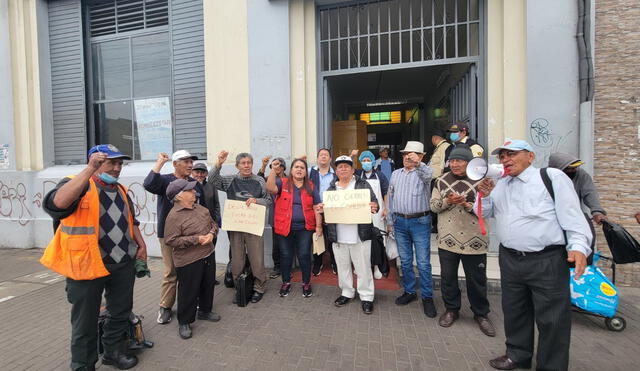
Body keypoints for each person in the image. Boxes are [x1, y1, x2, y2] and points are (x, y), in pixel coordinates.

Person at [475, 139, 592, 371]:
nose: (505, 160)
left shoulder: (551, 178)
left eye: (512, 154)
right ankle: (517, 354)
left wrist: (578, 246)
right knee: (515, 310)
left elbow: (573, 216)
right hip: (510, 258)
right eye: (502, 156)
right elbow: (487, 212)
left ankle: (551, 365)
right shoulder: (501, 184)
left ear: (530, 156)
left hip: (546, 259)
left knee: (553, 319)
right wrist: (485, 195)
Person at [41, 144, 146, 370]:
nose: (118, 168)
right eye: (111, 163)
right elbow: (57, 204)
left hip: (122, 264)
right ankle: (83, 364)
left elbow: (131, 220)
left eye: (120, 163)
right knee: (85, 322)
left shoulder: (121, 190)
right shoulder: (77, 184)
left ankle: (113, 353)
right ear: (95, 162)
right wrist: (89, 170)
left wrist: (141, 244)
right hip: (86, 266)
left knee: (120, 312)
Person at [429, 146, 495, 336]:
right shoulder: (440, 181)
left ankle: (481, 314)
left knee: (477, 280)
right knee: (448, 278)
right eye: (452, 161)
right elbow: (433, 206)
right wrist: (448, 201)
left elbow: (490, 208)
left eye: (460, 161)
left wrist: (468, 205)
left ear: (469, 163)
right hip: (447, 239)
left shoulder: (483, 182)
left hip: (475, 240)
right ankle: (451, 309)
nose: (455, 164)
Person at [143, 150, 204, 325]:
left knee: (190, 272)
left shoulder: (194, 183)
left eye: (191, 161)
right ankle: (165, 307)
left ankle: (190, 304)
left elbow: (200, 206)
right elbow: (148, 184)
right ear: (175, 163)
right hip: (169, 234)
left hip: (191, 234)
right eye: (185, 161)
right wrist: (159, 163)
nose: (190, 165)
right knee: (171, 272)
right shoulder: (165, 180)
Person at [317, 155, 379, 314]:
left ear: (353, 169)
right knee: (342, 267)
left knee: (363, 268)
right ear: (335, 171)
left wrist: (374, 206)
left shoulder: (362, 185)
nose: (343, 169)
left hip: (360, 235)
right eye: (339, 166)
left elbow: (375, 203)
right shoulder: (331, 190)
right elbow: (327, 212)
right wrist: (322, 210)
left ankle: (366, 296)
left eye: (346, 166)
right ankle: (347, 292)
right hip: (338, 236)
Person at [209, 151, 271, 303]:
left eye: (249, 162)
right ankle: (240, 287)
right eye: (243, 163)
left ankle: (259, 287)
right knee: (237, 259)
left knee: (256, 258)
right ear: (237, 166)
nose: (246, 165)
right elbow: (212, 179)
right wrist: (219, 163)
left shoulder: (259, 181)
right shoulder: (230, 180)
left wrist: (257, 201)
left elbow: (268, 200)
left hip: (253, 225)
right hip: (236, 225)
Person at [386, 141, 437, 318]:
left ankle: (427, 297)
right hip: (399, 222)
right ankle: (409, 291)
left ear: (421, 156)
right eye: (406, 154)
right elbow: (391, 197)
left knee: (423, 263)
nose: (408, 157)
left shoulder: (423, 172)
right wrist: (390, 220)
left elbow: (429, 174)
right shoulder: (395, 174)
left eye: (413, 154)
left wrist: (418, 163)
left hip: (420, 222)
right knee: (405, 261)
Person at [164, 179, 220, 340]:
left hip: (208, 254)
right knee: (188, 291)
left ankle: (205, 311)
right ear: (179, 196)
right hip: (188, 260)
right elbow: (171, 240)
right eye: (190, 191)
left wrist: (211, 234)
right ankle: (184, 321)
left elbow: (213, 224)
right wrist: (196, 239)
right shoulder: (174, 216)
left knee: (207, 284)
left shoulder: (201, 208)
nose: (194, 192)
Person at [266, 158, 322, 297]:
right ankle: (286, 282)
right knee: (286, 256)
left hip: (305, 228)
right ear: (291, 170)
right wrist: (273, 169)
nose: (299, 169)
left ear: (305, 172)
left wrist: (319, 226)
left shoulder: (311, 186)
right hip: (285, 227)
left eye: (302, 168)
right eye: (296, 167)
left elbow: (317, 207)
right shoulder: (283, 182)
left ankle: (306, 283)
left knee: (304, 255)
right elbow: (270, 187)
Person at [549, 152, 607, 263]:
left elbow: (590, 192)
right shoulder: (546, 177)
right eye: (569, 169)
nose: (573, 171)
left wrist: (597, 211)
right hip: (552, 217)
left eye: (575, 168)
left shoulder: (580, 175)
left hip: (574, 214)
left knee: (586, 237)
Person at [355, 150, 389, 279]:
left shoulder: (380, 176)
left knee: (377, 240)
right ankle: (362, 267)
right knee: (362, 239)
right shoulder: (358, 175)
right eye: (364, 160)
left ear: (373, 162)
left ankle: (377, 266)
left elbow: (386, 193)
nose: (366, 163)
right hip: (361, 213)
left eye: (368, 160)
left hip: (377, 213)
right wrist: (352, 155)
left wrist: (386, 208)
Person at [309, 148, 338, 275]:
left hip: (332, 210)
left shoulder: (335, 174)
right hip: (314, 209)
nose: (323, 157)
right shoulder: (310, 172)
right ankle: (317, 263)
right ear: (317, 158)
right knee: (317, 236)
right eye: (321, 155)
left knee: (333, 237)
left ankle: (334, 263)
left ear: (330, 159)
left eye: (326, 155)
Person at [191, 162, 221, 284]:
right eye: (197, 172)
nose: (200, 174)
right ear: (192, 173)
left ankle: (210, 278)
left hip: (210, 225)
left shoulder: (211, 186)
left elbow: (216, 204)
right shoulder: (189, 186)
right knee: (197, 253)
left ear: (206, 174)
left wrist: (217, 222)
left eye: (202, 172)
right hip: (195, 226)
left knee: (210, 251)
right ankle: (199, 278)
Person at [258, 156, 287, 279]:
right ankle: (277, 267)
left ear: (283, 167)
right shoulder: (269, 180)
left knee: (287, 244)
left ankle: (287, 267)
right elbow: (258, 179)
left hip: (287, 215)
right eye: (273, 165)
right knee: (276, 244)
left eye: (279, 165)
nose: (277, 167)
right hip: (275, 216)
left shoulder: (289, 179)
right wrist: (264, 165)